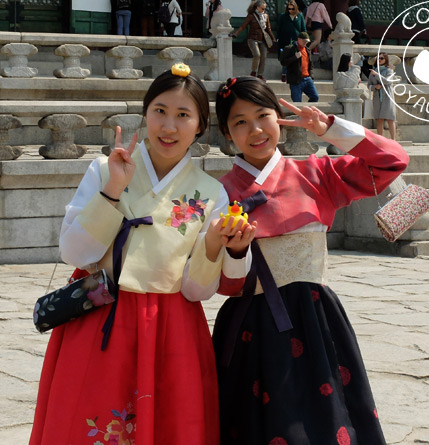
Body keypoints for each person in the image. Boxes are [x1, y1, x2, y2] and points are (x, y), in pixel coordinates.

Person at [29, 65, 257, 444]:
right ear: (146, 113)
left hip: (170, 326)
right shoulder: (105, 170)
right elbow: (73, 252)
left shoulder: (211, 193)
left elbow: (197, 291)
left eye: (183, 115)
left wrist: (218, 244)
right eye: (160, 111)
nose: (169, 126)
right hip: (100, 314)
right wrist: (113, 191)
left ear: (200, 126)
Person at [212, 76, 409, 444]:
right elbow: (220, 284)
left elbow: (393, 160)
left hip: (317, 322)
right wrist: (236, 252)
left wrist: (331, 129)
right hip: (251, 329)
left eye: (263, 115)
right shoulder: (219, 193)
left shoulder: (317, 173)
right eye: (239, 122)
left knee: (327, 425)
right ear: (227, 134)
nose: (255, 129)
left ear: (279, 118)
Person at [231, 1, 276, 81]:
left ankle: (260, 74)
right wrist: (236, 34)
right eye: (262, 8)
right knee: (257, 54)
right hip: (252, 38)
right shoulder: (251, 16)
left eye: (265, 9)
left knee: (264, 56)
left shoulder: (266, 16)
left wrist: (273, 38)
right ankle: (254, 71)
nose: (264, 10)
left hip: (263, 39)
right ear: (257, 7)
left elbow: (268, 29)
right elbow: (243, 26)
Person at [280, 31, 319, 102]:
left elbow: (310, 65)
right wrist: (295, 57)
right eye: (304, 41)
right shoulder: (290, 48)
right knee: (297, 102)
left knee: (315, 97)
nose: (305, 43)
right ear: (299, 39)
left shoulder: (307, 50)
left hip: (307, 79)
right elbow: (283, 62)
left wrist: (311, 76)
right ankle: (300, 112)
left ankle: (307, 111)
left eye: (307, 41)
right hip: (296, 80)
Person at [368, 52, 397, 140]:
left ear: (386, 60)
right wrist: (374, 87)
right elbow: (368, 85)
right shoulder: (373, 71)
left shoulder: (389, 70)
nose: (379, 60)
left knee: (390, 119)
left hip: (387, 97)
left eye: (381, 58)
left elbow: (387, 81)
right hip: (377, 98)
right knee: (379, 119)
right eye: (378, 58)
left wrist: (376, 75)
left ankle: (393, 140)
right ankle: (380, 140)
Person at [277, 1, 306, 82]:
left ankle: (293, 74)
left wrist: (304, 38)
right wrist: (278, 38)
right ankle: (284, 73)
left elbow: (303, 29)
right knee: (285, 56)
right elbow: (279, 28)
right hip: (284, 40)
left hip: (296, 40)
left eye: (292, 8)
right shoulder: (283, 16)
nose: (290, 10)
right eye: (289, 8)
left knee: (295, 56)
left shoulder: (300, 16)